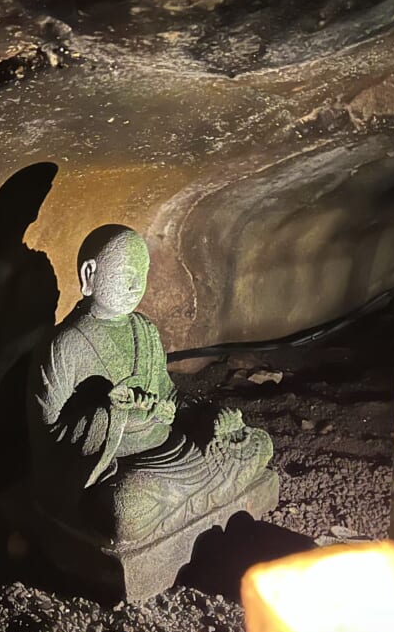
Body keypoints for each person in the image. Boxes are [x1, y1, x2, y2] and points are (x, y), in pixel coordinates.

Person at [28, 224, 274, 546]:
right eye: (127, 273)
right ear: (90, 275)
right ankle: (199, 494)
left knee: (257, 443)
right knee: (125, 510)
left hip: (172, 452)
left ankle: (193, 492)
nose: (135, 285)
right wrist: (109, 415)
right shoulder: (65, 345)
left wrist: (206, 416)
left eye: (142, 274)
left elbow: (168, 394)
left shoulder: (144, 329)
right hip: (121, 468)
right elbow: (48, 440)